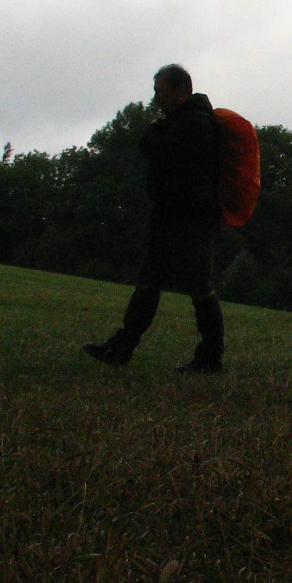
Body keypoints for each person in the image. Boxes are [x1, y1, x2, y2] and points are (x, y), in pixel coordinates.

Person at [83, 63, 226, 373]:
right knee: (149, 282)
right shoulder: (184, 121)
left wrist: (154, 131)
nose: (156, 98)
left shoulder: (196, 123)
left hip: (191, 216)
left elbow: (158, 149)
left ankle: (210, 358)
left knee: (200, 287)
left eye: (160, 91)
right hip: (171, 214)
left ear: (180, 90)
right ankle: (121, 347)